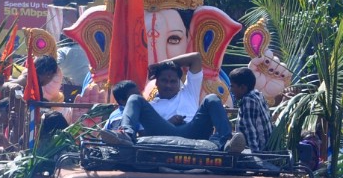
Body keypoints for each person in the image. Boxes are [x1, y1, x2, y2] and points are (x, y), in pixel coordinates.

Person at [103, 55, 246, 153]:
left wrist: (162, 64)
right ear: (156, 82)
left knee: (212, 98)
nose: (168, 85)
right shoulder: (151, 105)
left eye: (173, 81)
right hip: (163, 132)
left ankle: (227, 142)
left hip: (192, 131)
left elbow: (196, 58)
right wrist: (169, 122)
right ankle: (125, 135)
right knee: (134, 98)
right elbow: (143, 133)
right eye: (164, 80)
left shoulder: (189, 92)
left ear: (179, 82)